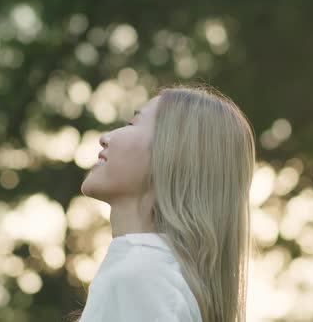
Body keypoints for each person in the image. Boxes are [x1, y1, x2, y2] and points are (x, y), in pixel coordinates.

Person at [71, 84, 257, 322]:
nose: (104, 138)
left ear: (173, 154)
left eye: (133, 123)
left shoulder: (140, 277)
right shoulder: (155, 276)